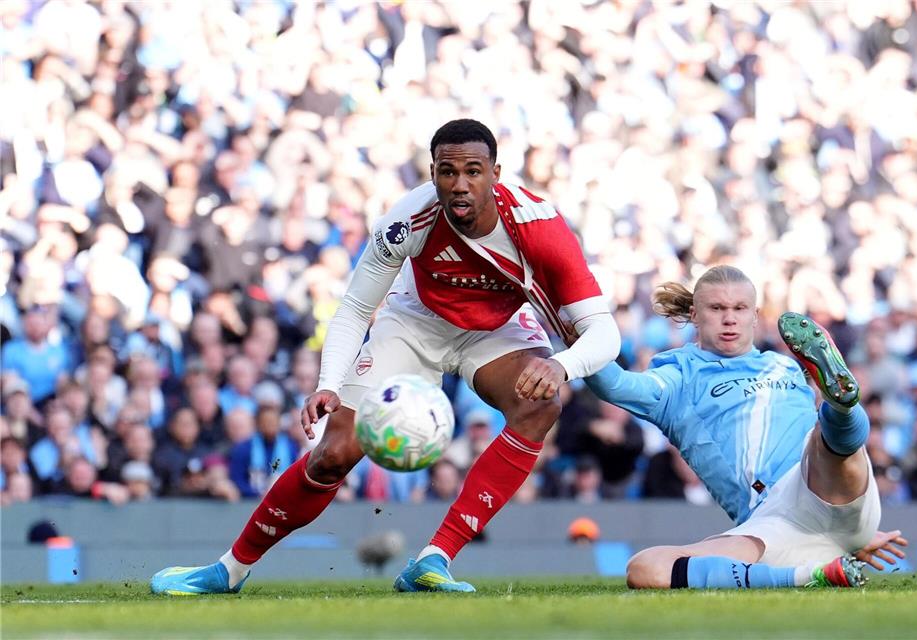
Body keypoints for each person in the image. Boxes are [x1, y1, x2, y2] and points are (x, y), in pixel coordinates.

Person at [150, 119, 620, 595]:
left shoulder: (539, 225)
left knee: (540, 405)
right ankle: (228, 570)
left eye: (473, 171)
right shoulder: (407, 221)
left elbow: (604, 331)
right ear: (432, 173)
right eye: (447, 171)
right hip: (414, 322)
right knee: (332, 455)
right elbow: (355, 307)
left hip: (495, 329)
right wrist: (329, 382)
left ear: (495, 174)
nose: (459, 185)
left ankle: (434, 559)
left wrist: (561, 365)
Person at [582, 265, 906, 590]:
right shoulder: (678, 374)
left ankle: (842, 407)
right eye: (717, 308)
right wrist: (583, 339)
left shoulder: (784, 366)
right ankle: (815, 574)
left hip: (825, 483)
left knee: (825, 437)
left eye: (739, 309)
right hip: (772, 524)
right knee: (645, 569)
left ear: (755, 315)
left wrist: (845, 520)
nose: (729, 318)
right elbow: (615, 386)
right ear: (695, 315)